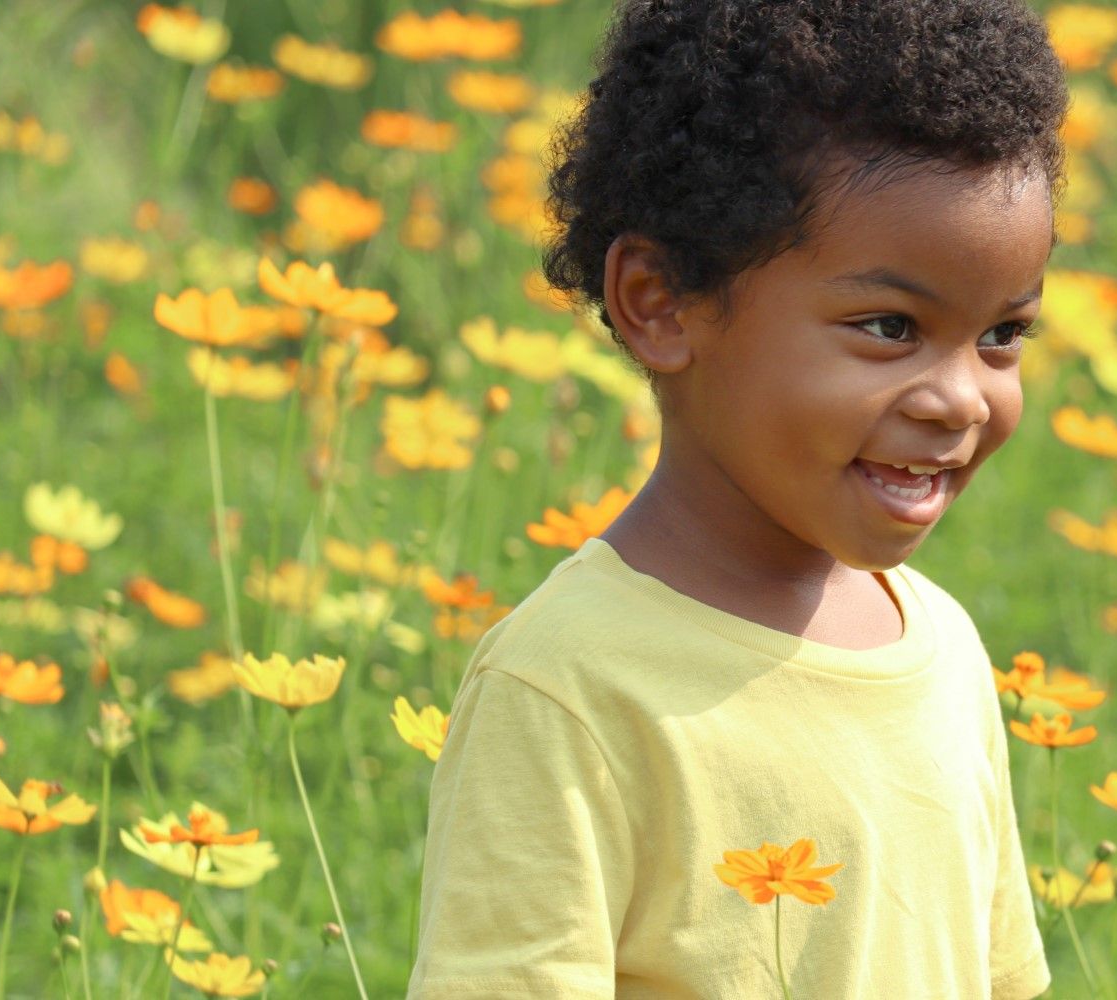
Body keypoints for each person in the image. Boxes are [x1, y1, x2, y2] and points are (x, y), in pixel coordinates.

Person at [407, 1, 1067, 996]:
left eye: (1002, 335)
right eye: (890, 326)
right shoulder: (567, 689)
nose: (960, 398)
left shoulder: (944, 652)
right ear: (659, 303)